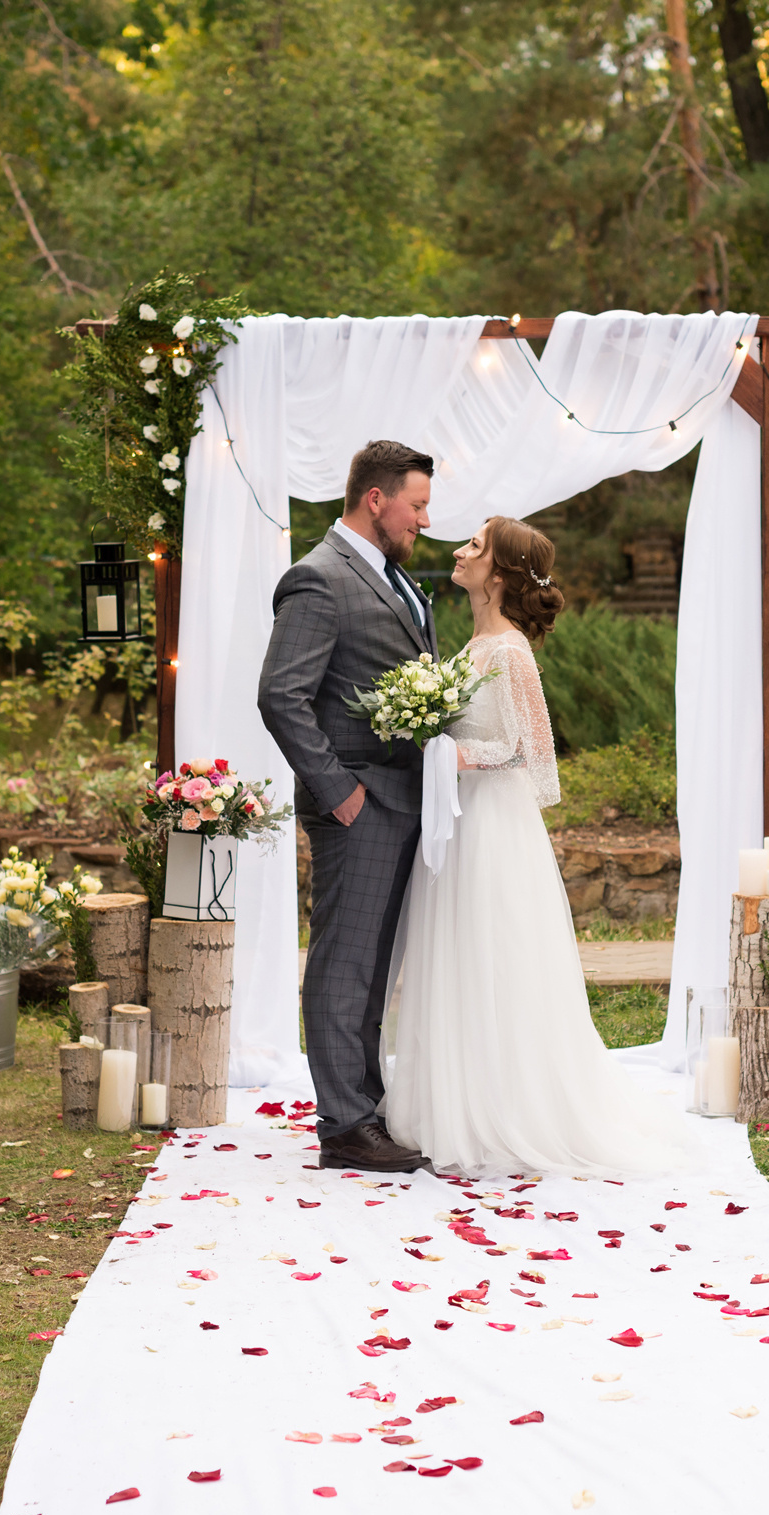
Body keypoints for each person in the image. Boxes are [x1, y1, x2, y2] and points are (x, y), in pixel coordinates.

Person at [380, 516, 696, 1178]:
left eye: (474, 546)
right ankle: (454, 1097)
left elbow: (530, 752)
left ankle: (507, 1107)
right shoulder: (473, 644)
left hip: (493, 827)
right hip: (461, 822)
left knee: (497, 955)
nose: (459, 553)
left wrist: (452, 753)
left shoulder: (510, 652)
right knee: (459, 954)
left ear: (496, 575)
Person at [256, 440, 441, 1173]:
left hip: (403, 801)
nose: (424, 519)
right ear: (377, 499)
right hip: (358, 807)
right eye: (417, 505)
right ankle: (344, 1127)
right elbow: (281, 695)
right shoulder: (318, 579)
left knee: (373, 965)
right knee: (343, 963)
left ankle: (365, 1105)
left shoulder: (394, 578)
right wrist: (340, 793)